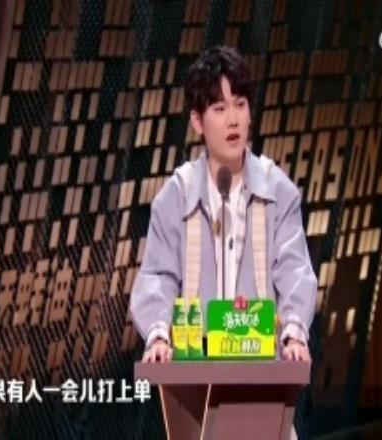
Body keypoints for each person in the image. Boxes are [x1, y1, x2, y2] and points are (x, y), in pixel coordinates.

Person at [130, 45, 317, 364]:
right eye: (219, 108)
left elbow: (294, 268)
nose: (233, 120)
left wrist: (295, 334)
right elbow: (157, 276)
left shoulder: (277, 190)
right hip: (195, 365)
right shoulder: (176, 196)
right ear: (197, 121)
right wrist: (158, 335)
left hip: (262, 367)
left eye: (240, 105)